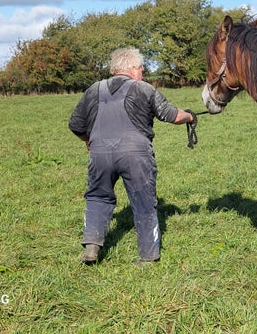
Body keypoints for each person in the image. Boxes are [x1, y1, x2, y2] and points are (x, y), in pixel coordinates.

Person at [68, 48, 195, 265]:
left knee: (98, 197)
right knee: (144, 203)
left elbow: (75, 125)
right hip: (136, 155)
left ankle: (92, 248)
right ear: (133, 68)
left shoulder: (93, 90)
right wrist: (190, 116)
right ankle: (147, 257)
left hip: (99, 154)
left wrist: (88, 141)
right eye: (142, 69)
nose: (143, 73)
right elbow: (171, 115)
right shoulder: (143, 89)